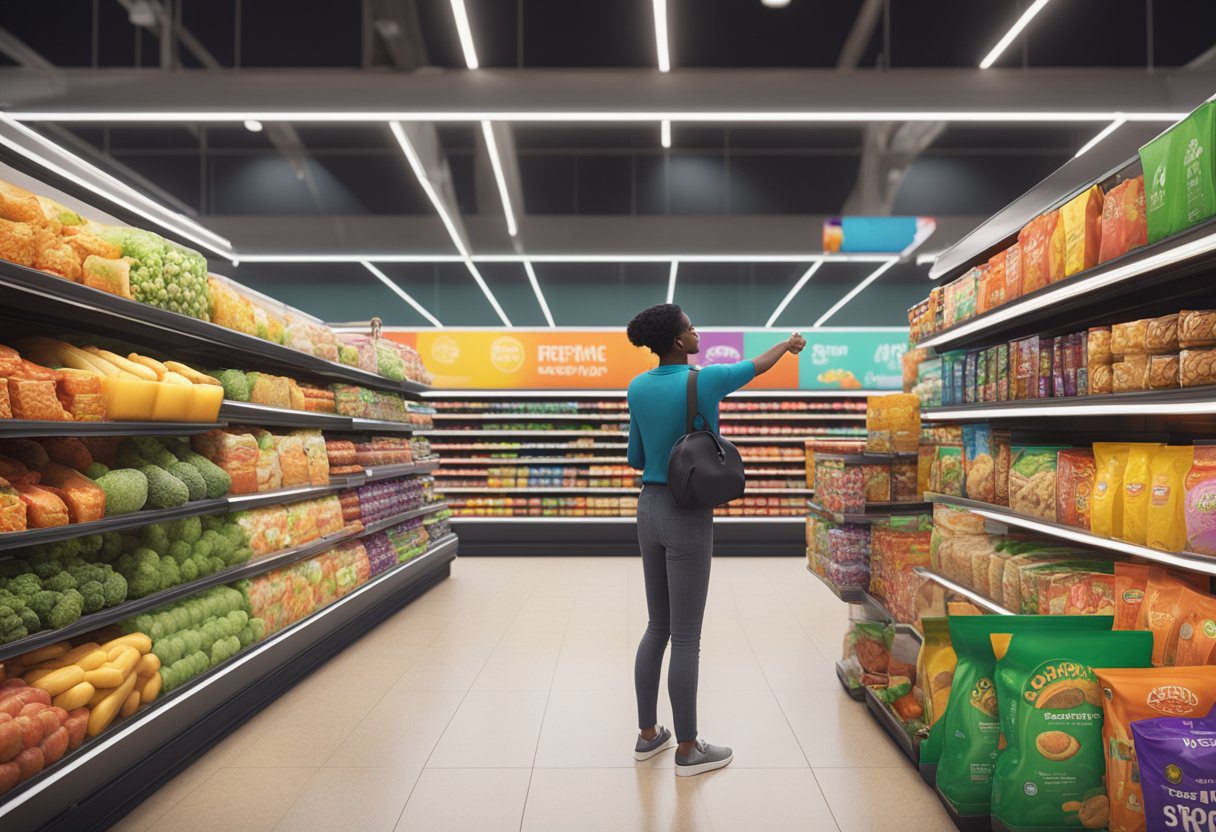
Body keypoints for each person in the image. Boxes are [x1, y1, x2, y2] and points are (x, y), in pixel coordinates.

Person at [625, 304, 805, 776]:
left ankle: (648, 736)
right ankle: (687, 750)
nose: (696, 331)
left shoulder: (637, 386)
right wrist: (788, 346)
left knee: (656, 627)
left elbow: (635, 455)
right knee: (687, 636)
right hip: (689, 512)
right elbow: (757, 366)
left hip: (649, 509)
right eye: (689, 327)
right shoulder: (702, 381)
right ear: (677, 340)